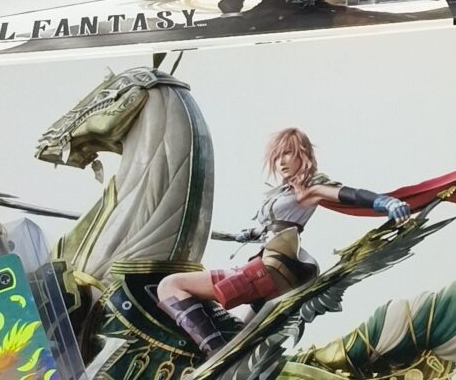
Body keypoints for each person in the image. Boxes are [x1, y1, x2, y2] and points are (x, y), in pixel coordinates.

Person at [157, 127, 410, 357]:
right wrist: (249, 234)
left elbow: (349, 194)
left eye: (288, 153)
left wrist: (384, 202)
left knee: (171, 285)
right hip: (273, 273)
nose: (281, 161)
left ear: (303, 153)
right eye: (277, 156)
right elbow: (276, 224)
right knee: (240, 339)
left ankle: (214, 354)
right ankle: (225, 359)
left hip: (268, 271)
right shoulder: (286, 192)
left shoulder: (309, 188)